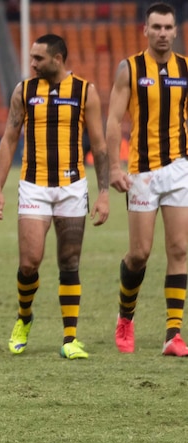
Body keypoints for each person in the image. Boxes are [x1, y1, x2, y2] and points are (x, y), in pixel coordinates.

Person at [0, 34, 110, 359]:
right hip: (34, 186)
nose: (32, 64)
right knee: (29, 263)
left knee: (69, 262)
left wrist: (104, 193)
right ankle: (24, 317)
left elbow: (99, 146)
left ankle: (70, 338)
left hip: (72, 186)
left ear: (58, 59)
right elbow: (8, 139)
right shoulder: (24, 91)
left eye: (38, 59)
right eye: (31, 58)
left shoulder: (86, 91)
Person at [108, 2, 188, 356]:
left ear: (176, 30)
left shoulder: (185, 68)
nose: (162, 33)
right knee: (139, 254)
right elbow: (113, 120)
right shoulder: (130, 68)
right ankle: (126, 317)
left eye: (168, 27)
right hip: (141, 171)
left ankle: (174, 334)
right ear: (145, 30)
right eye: (156, 27)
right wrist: (113, 167)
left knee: (180, 249)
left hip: (179, 169)